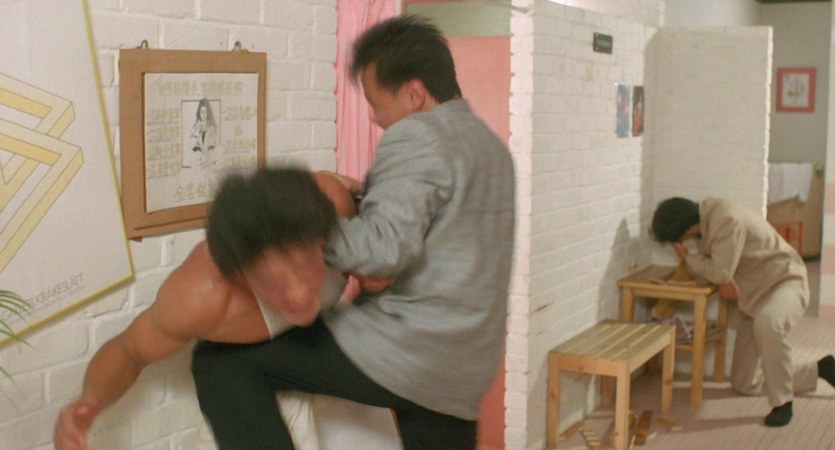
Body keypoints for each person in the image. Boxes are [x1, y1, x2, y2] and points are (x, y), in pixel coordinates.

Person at [192, 15, 516, 450]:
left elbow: (383, 250)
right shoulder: (489, 147)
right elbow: (444, 229)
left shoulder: (418, 135)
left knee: (220, 361)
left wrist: (305, 222)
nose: (373, 117)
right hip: (464, 367)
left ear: (414, 93)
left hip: (408, 352)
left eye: (375, 102)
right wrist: (365, 200)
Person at [53, 168, 371, 449]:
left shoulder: (331, 207)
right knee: (214, 363)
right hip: (282, 351)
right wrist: (88, 404)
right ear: (238, 273)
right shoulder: (201, 295)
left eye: (306, 267)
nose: (300, 294)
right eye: (275, 283)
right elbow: (129, 350)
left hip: (358, 329)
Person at [651, 196, 835, 427]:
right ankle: (821, 369)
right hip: (754, 297)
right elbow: (720, 272)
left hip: (785, 282)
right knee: (744, 383)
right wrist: (715, 273)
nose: (680, 243)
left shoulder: (725, 219)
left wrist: (687, 259)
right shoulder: (705, 223)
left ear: (685, 229)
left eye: (678, 239)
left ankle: (782, 402)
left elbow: (720, 273)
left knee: (769, 324)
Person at [188, 98, 217, 168]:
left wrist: (207, 158)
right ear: (199, 113)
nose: (203, 114)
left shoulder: (211, 127)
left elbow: (211, 145)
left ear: (208, 113)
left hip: (209, 158)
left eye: (205, 112)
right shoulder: (197, 126)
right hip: (198, 159)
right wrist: (198, 153)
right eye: (201, 112)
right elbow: (194, 143)